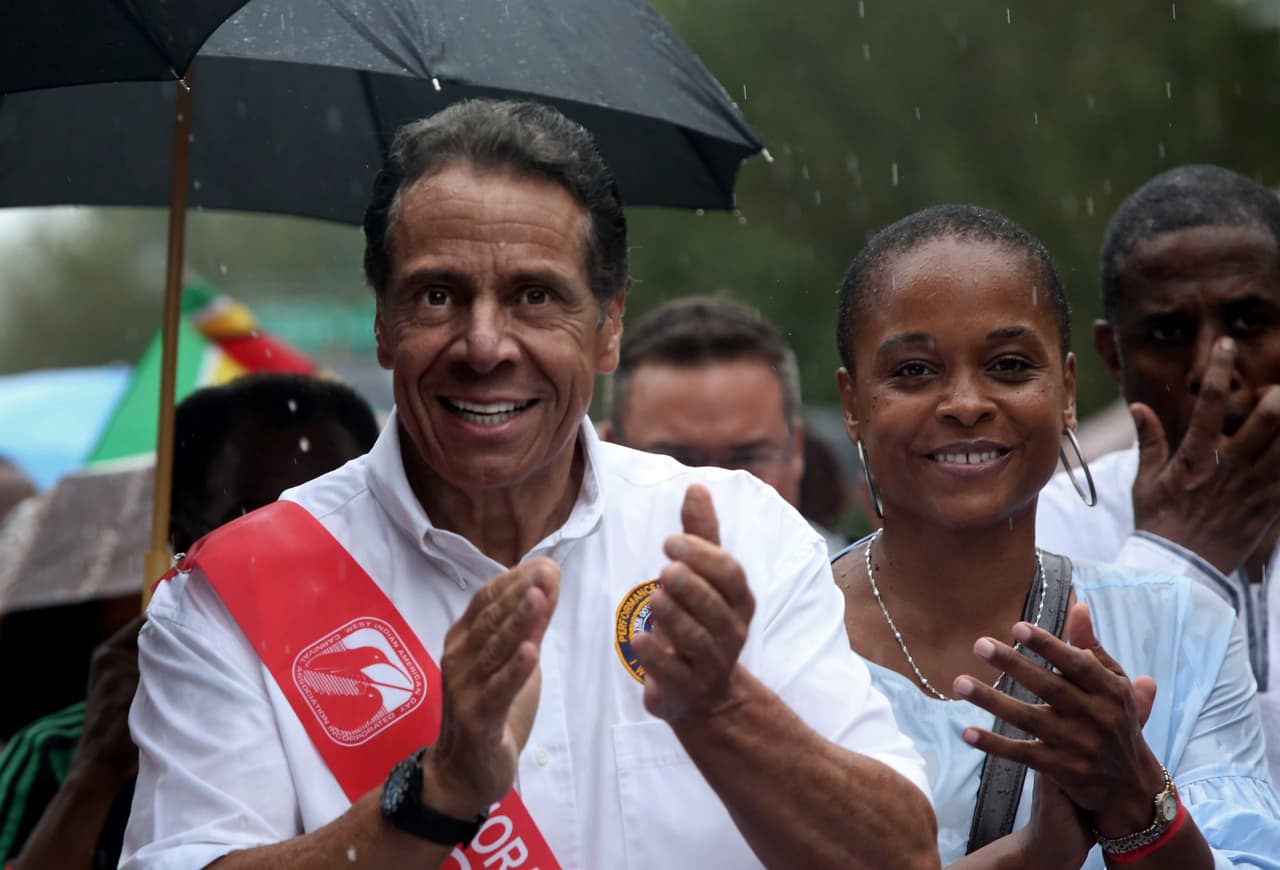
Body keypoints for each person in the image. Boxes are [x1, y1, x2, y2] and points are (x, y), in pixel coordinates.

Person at [121, 100, 937, 870]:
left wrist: (720, 709)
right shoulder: (232, 592)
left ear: (609, 327)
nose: (484, 345)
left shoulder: (742, 536)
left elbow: (904, 855)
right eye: (438, 295)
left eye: (533, 296)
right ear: (381, 324)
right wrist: (436, 795)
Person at [831, 203, 1279, 867]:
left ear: (1067, 389)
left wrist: (1133, 791)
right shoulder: (784, 631)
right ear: (852, 405)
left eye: (1009, 365)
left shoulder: (1181, 625)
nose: (966, 402)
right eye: (914, 372)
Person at [0, 373, 379, 870]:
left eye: (335, 522)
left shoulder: (438, 692)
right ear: (184, 539)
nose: (302, 557)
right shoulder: (60, 751)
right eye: (257, 526)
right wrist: (95, 773)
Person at [1036, 164, 1280, 783]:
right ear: (1113, 357)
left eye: (1248, 322)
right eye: (1169, 333)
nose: (1210, 367)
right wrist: (1175, 556)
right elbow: (1059, 782)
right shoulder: (1045, 530)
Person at [603, 295, 846, 552]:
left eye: (747, 458)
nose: (713, 497)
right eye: (677, 462)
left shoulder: (843, 587)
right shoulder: (565, 583)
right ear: (607, 453)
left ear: (796, 449)